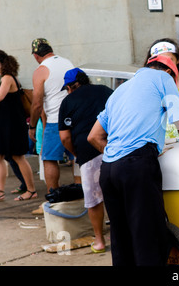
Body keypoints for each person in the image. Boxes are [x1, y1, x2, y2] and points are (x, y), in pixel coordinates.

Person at [87, 54, 179, 266]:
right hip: (137, 166)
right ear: (168, 72)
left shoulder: (119, 91)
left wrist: (119, 153)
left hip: (109, 170)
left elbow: (93, 136)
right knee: (148, 237)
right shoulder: (163, 79)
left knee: (121, 239)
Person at [59, 68, 113, 253]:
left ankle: (99, 241)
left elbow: (65, 137)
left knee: (94, 200)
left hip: (87, 152)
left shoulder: (67, 102)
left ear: (70, 86)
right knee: (118, 194)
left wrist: (77, 154)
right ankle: (122, 236)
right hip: (114, 148)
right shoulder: (105, 90)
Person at [29, 38, 77, 198]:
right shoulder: (68, 62)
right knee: (77, 157)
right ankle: (82, 195)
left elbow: (37, 103)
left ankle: (54, 197)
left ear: (36, 55)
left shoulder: (41, 70)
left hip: (55, 121)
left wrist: (32, 126)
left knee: (49, 158)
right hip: (76, 118)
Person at [0, 50, 36, 201]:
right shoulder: (6, 78)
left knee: (17, 156)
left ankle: (31, 190)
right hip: (5, 122)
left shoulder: (8, 78)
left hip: (12, 124)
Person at [144, 39, 179, 124]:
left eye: (170, 60)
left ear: (178, 59)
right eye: (160, 63)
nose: (166, 66)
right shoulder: (148, 87)